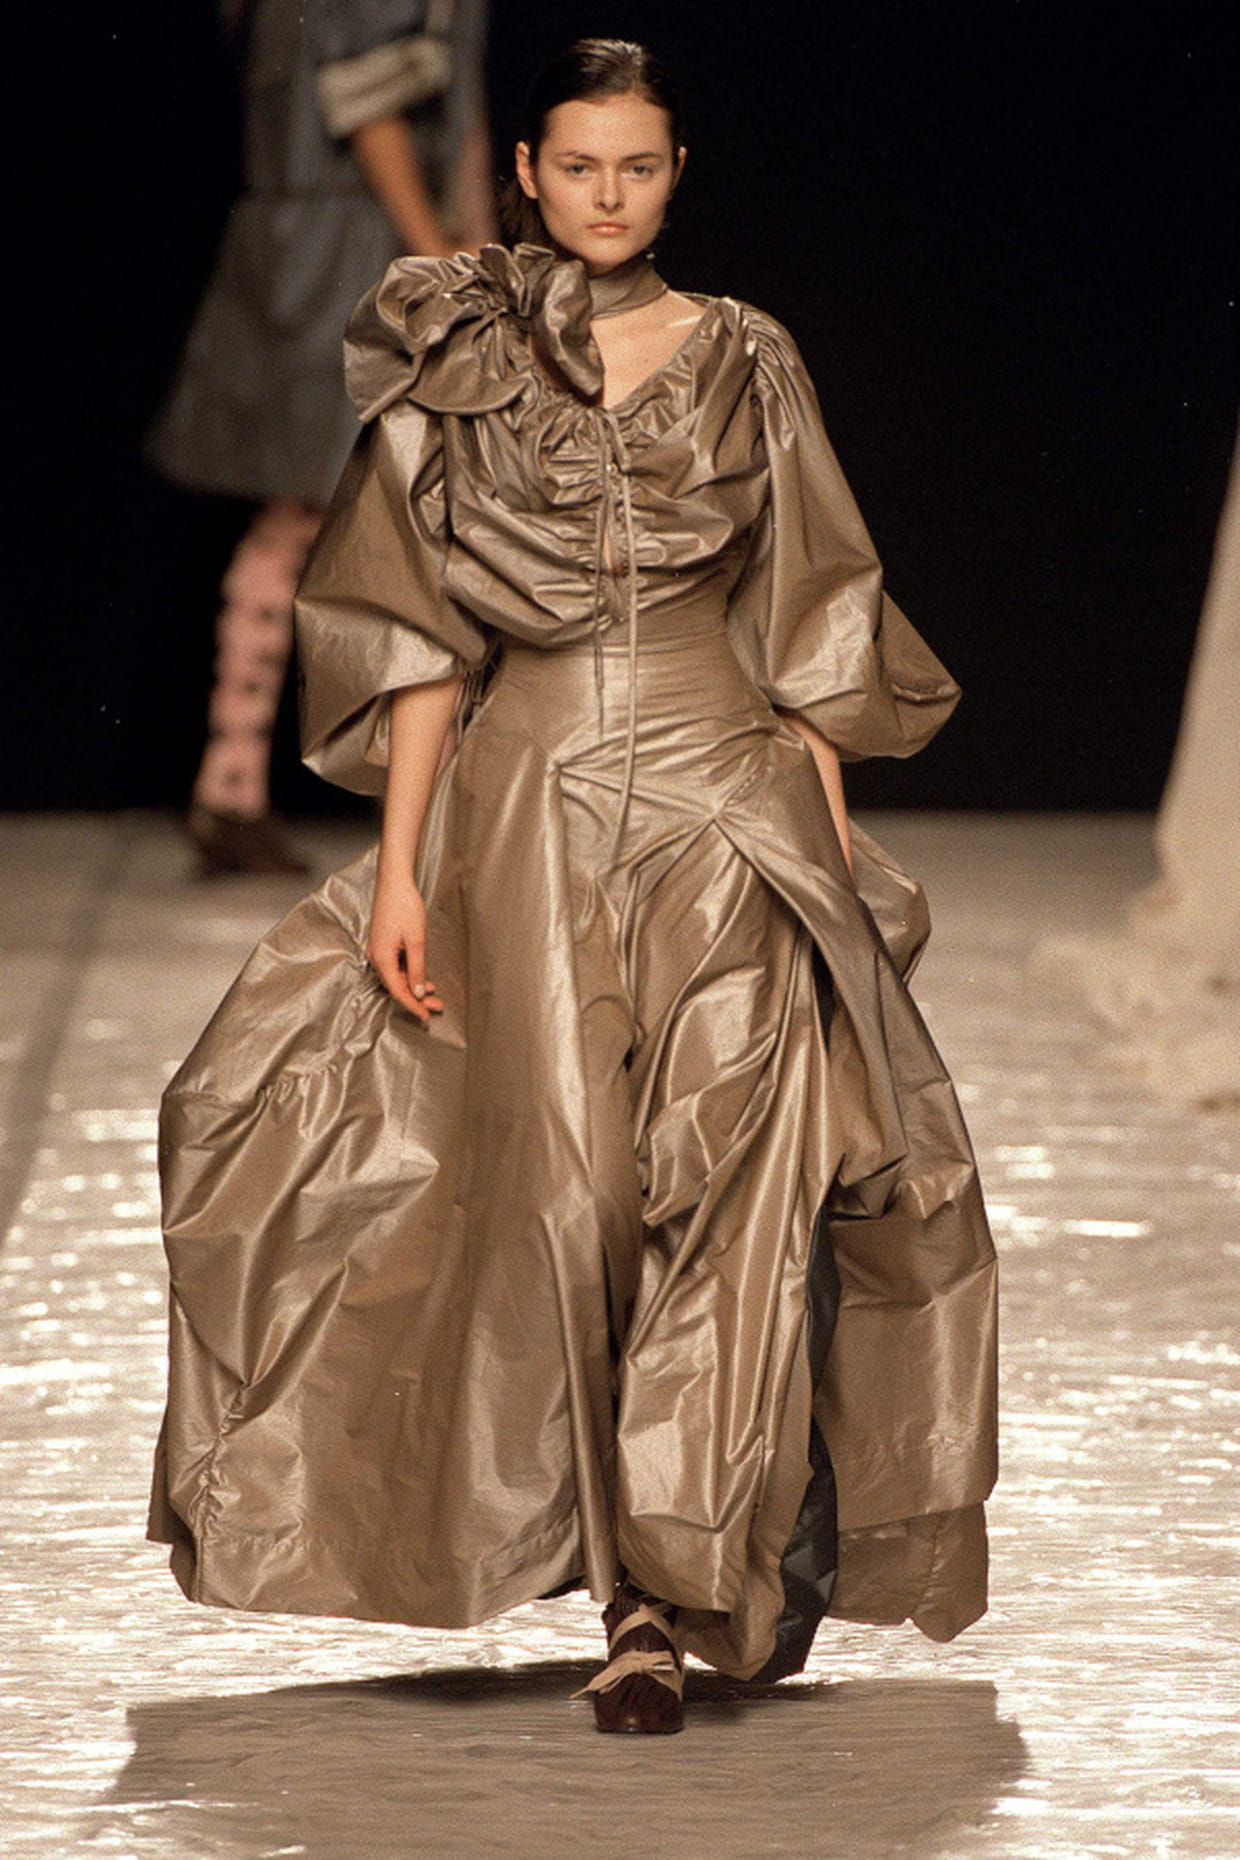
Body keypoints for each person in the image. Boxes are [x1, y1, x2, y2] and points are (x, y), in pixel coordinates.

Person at [149, 39, 999, 1736]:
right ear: (526, 175)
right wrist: (401, 870)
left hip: (725, 800)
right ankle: (631, 1576)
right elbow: (415, 640)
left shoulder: (749, 357)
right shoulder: (454, 363)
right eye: (581, 166)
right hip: (528, 812)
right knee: (572, 1209)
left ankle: (661, 1600)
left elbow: (811, 614)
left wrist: (829, 854)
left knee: (733, 1182)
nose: (611, 195)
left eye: (641, 165)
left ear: (678, 176)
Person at [148, 0, 493, 874]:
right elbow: (372, 110)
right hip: (349, 251)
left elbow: (450, 107)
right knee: (389, 516)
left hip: (310, 243)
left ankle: (234, 785)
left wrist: (474, 241)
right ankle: (417, 802)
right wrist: (440, 254)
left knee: (327, 517)